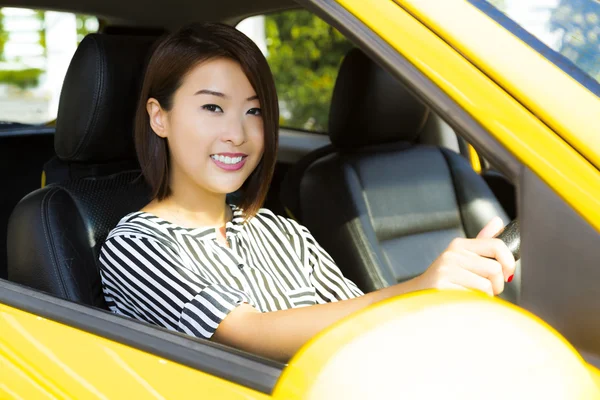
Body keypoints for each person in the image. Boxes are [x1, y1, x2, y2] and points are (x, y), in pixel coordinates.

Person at [99, 22, 515, 363]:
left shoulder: (283, 233)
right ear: (159, 118)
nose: (238, 134)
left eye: (254, 110)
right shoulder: (136, 246)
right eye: (213, 108)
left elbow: (364, 327)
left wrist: (451, 298)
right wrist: (421, 287)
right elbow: (245, 335)